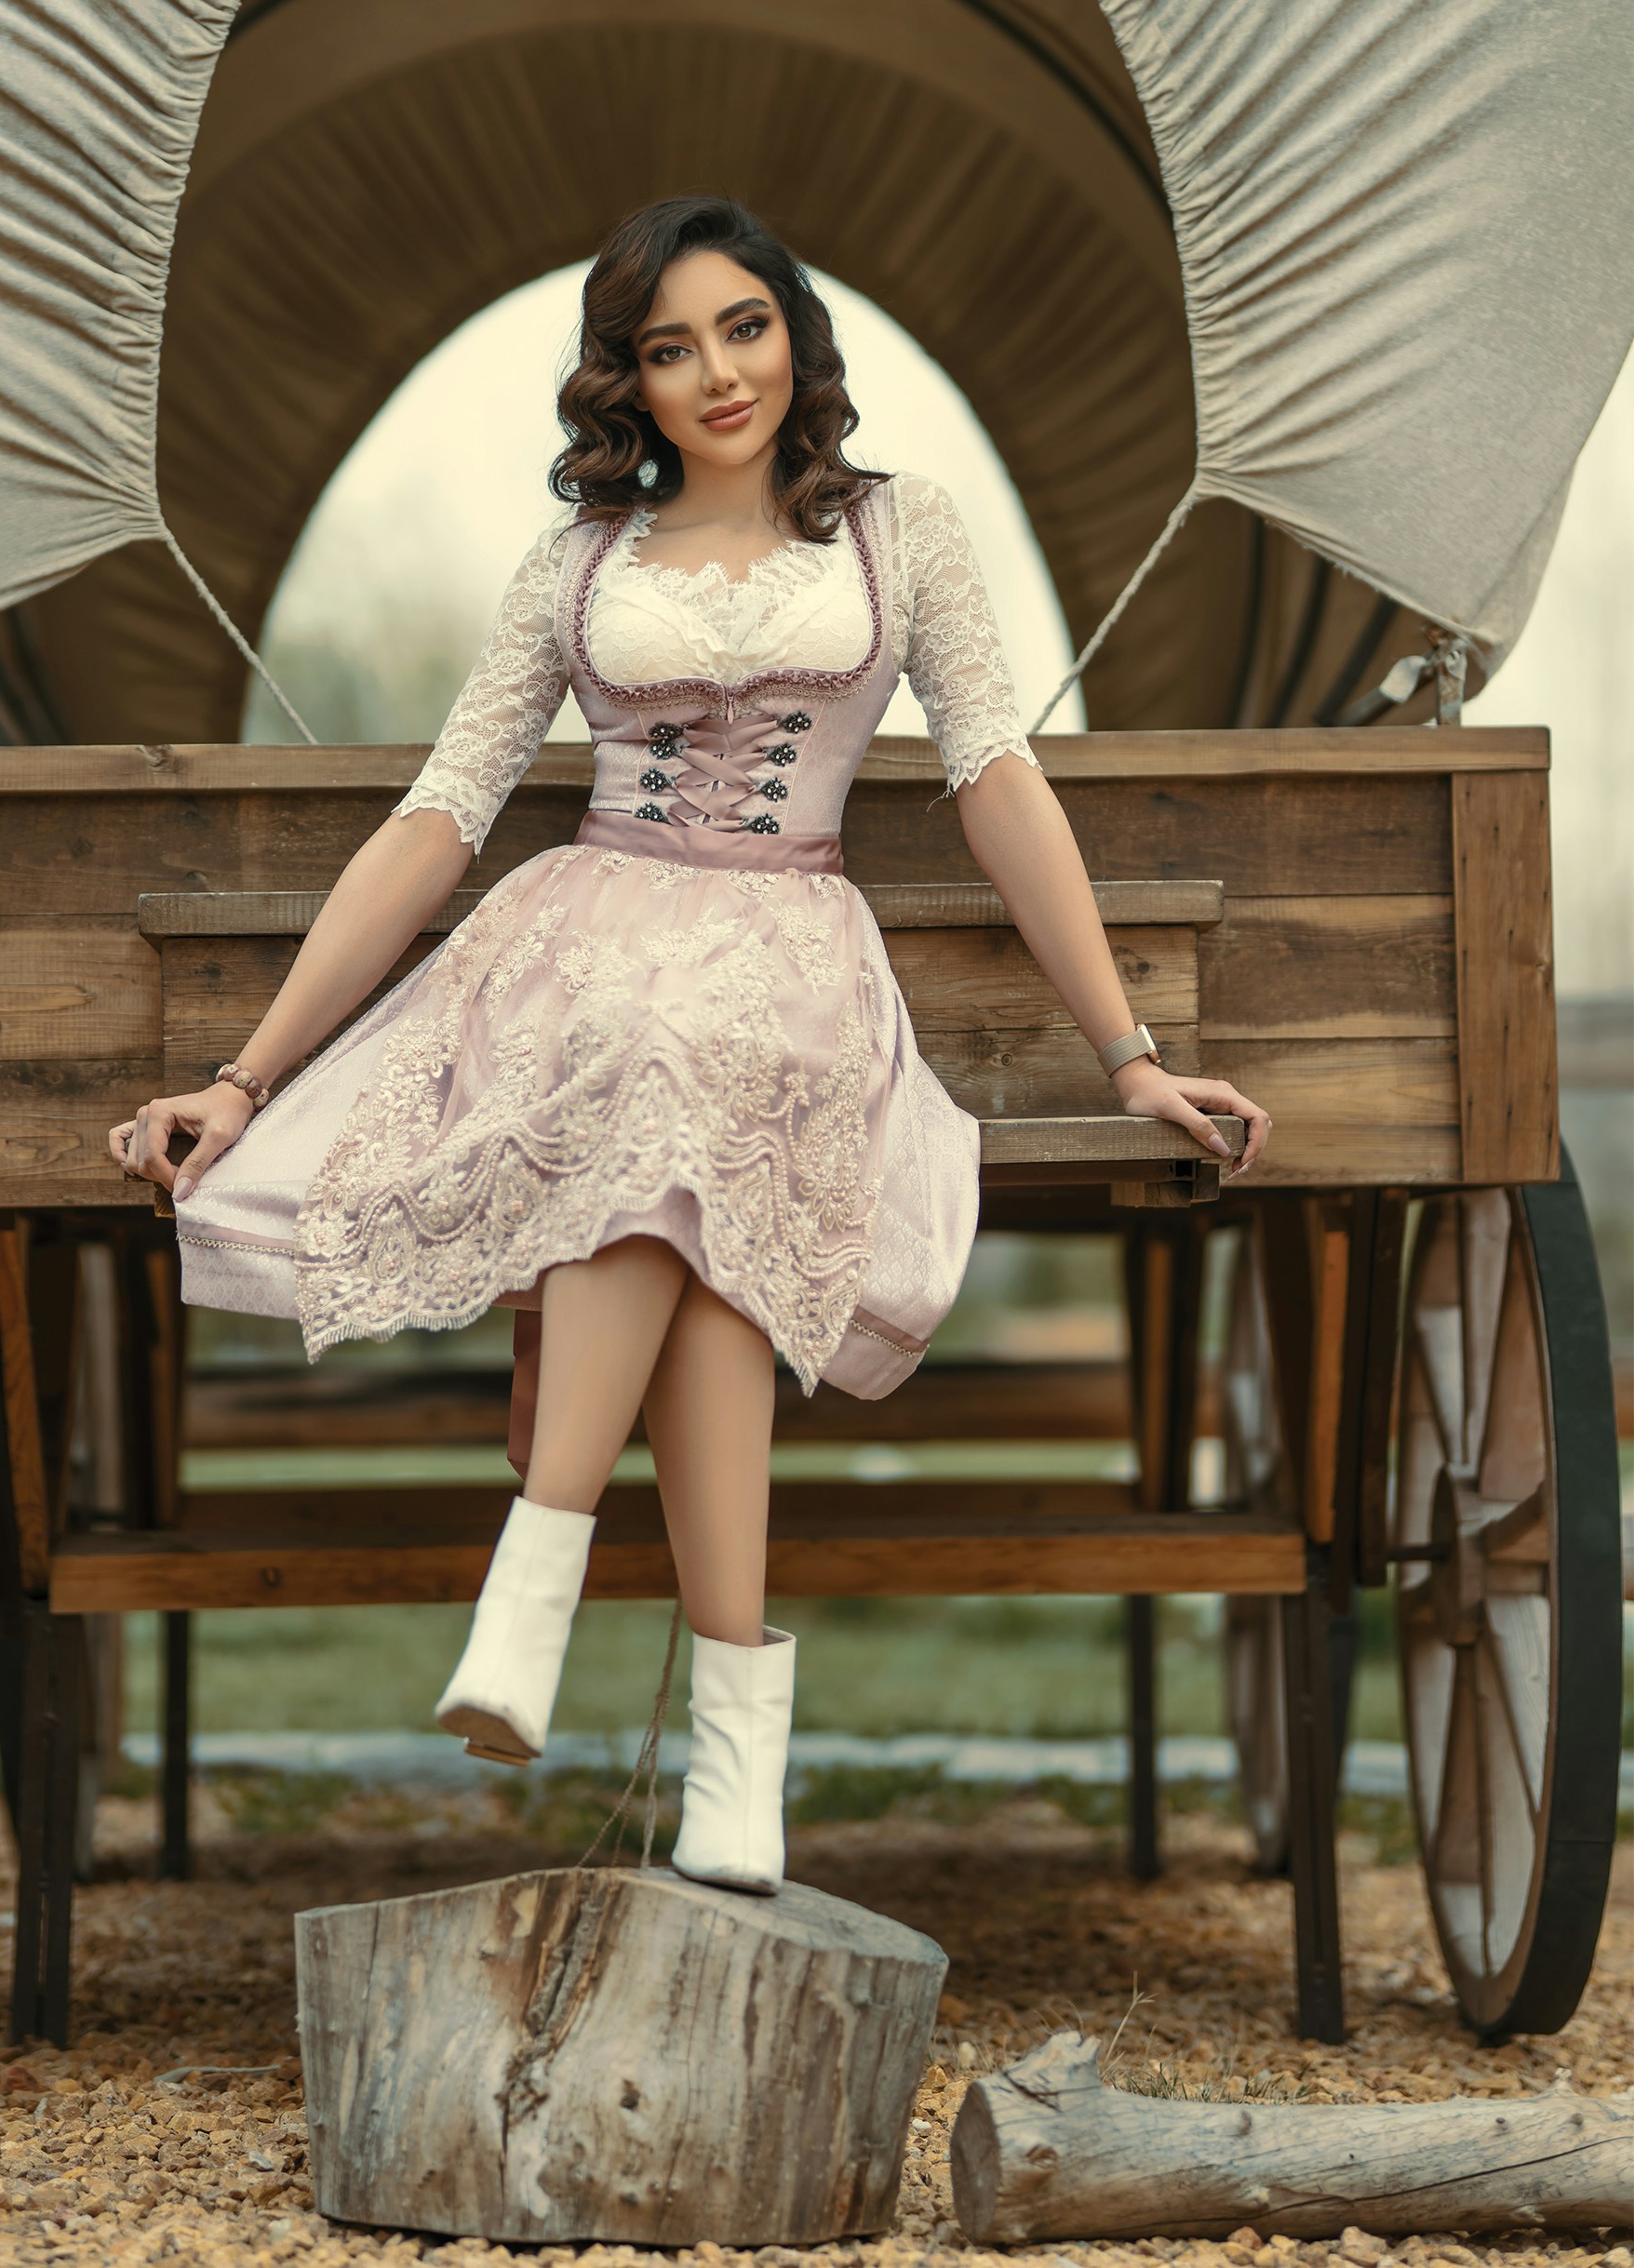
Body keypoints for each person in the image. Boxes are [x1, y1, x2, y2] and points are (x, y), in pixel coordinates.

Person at [110, 194, 1268, 1896]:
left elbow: (1000, 776)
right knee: (668, 1115)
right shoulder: (577, 566)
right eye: (668, 347)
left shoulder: (900, 531)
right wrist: (243, 1074)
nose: (715, 371)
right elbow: (443, 813)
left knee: (704, 1099)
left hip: (792, 942)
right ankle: (730, 1732)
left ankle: (545, 1557)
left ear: (795, 338)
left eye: (742, 327)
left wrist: (1129, 1054)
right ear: (629, 385)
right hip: (584, 945)